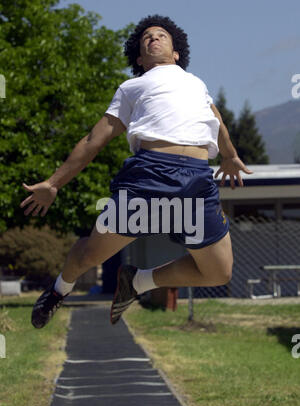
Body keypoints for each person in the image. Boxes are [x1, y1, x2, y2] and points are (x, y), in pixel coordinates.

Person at [20, 15, 253, 328]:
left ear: (176, 54)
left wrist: (230, 155)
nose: (153, 37)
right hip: (150, 176)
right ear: (140, 58)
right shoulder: (132, 88)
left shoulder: (196, 83)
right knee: (91, 253)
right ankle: (59, 289)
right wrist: (53, 183)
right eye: (146, 37)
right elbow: (94, 139)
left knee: (217, 272)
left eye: (161, 35)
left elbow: (217, 120)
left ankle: (139, 282)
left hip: (198, 180)